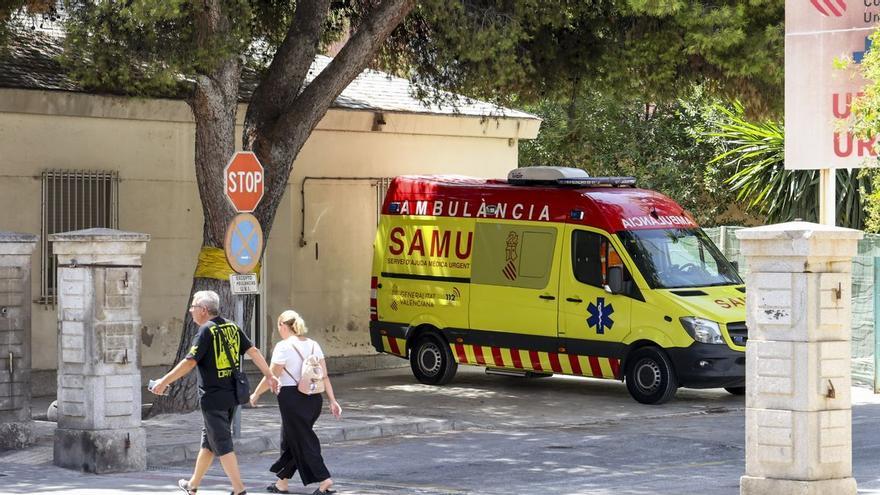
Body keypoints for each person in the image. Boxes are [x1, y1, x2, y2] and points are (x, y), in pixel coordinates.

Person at [150, 290, 280, 495]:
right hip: (233, 395)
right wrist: (270, 375)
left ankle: (239, 489)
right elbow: (253, 351)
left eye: (193, 307)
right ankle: (193, 484)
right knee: (209, 441)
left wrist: (163, 381)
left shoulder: (205, 331)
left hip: (213, 397)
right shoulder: (232, 327)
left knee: (222, 442)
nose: (191, 311)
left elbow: (189, 362)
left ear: (203, 310)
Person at [250, 309, 342, 495]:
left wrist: (256, 394)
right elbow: (324, 376)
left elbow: (272, 376)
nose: (279, 329)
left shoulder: (283, 347)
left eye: (279, 326)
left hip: (292, 399)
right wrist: (332, 400)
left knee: (303, 440)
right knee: (290, 437)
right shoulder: (314, 345)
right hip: (314, 398)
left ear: (283, 325)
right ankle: (282, 483)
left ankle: (324, 480)